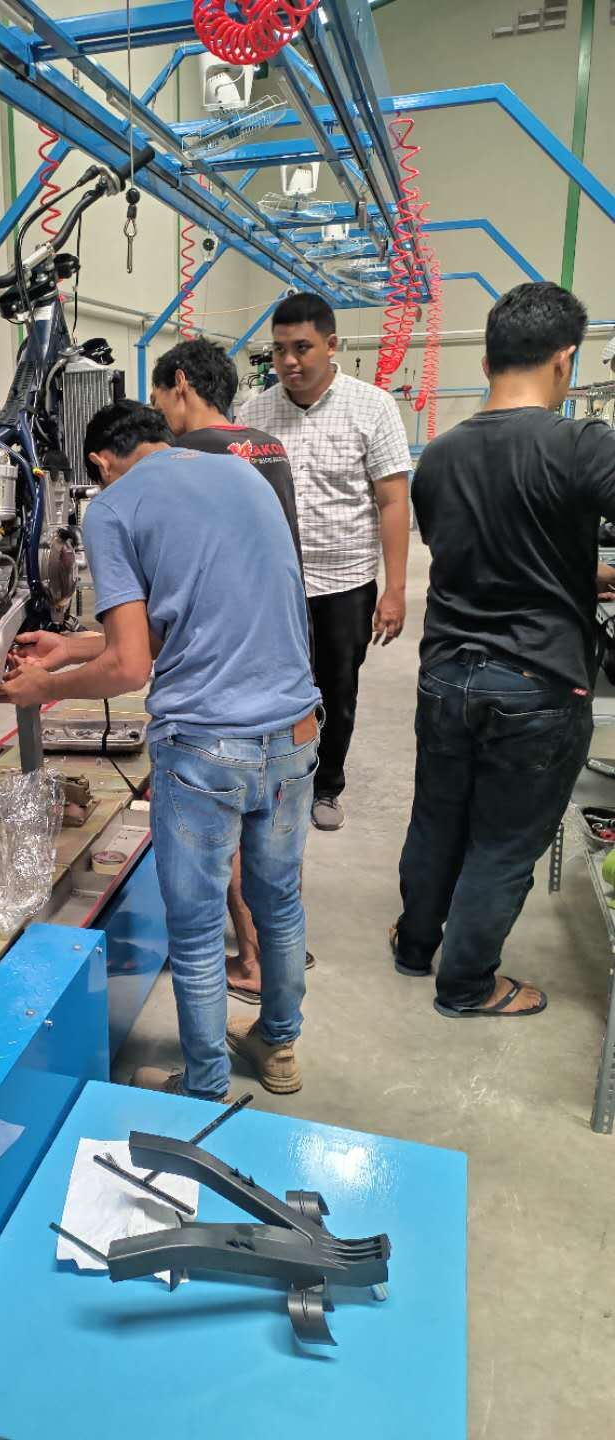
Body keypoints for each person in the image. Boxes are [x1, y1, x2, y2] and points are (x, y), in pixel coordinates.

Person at [0, 399, 320, 1098]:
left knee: (199, 929)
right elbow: (192, 622)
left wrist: (38, 688)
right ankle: (279, 1045)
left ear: (98, 464)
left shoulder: (112, 509)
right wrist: (69, 646)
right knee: (281, 904)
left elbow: (128, 669)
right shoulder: (240, 476)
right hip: (294, 732)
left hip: (207, 748)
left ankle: (202, 1086)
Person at [393, 281, 615, 1018]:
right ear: (565, 358)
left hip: (447, 675)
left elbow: (489, 551)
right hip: (538, 683)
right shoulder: (581, 444)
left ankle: (415, 945)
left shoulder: (440, 457)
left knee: (437, 817)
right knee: (502, 842)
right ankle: (466, 984)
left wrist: (585, 570)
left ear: (489, 357)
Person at [150, 336, 314, 1007]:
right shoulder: (264, 446)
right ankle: (274, 962)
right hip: (282, 650)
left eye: (161, 398)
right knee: (274, 844)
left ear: (181, 384)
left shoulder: (193, 458)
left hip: (225, 672)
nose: (161, 415)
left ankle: (246, 958)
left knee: (233, 831)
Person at [238, 293, 412, 831]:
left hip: (345, 583)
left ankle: (326, 784)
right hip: (274, 585)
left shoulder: (373, 407)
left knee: (337, 689)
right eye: (280, 350)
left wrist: (395, 589)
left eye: (303, 348)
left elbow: (392, 500)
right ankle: (273, 780)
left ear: (332, 345)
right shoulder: (255, 414)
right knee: (268, 685)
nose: (290, 361)